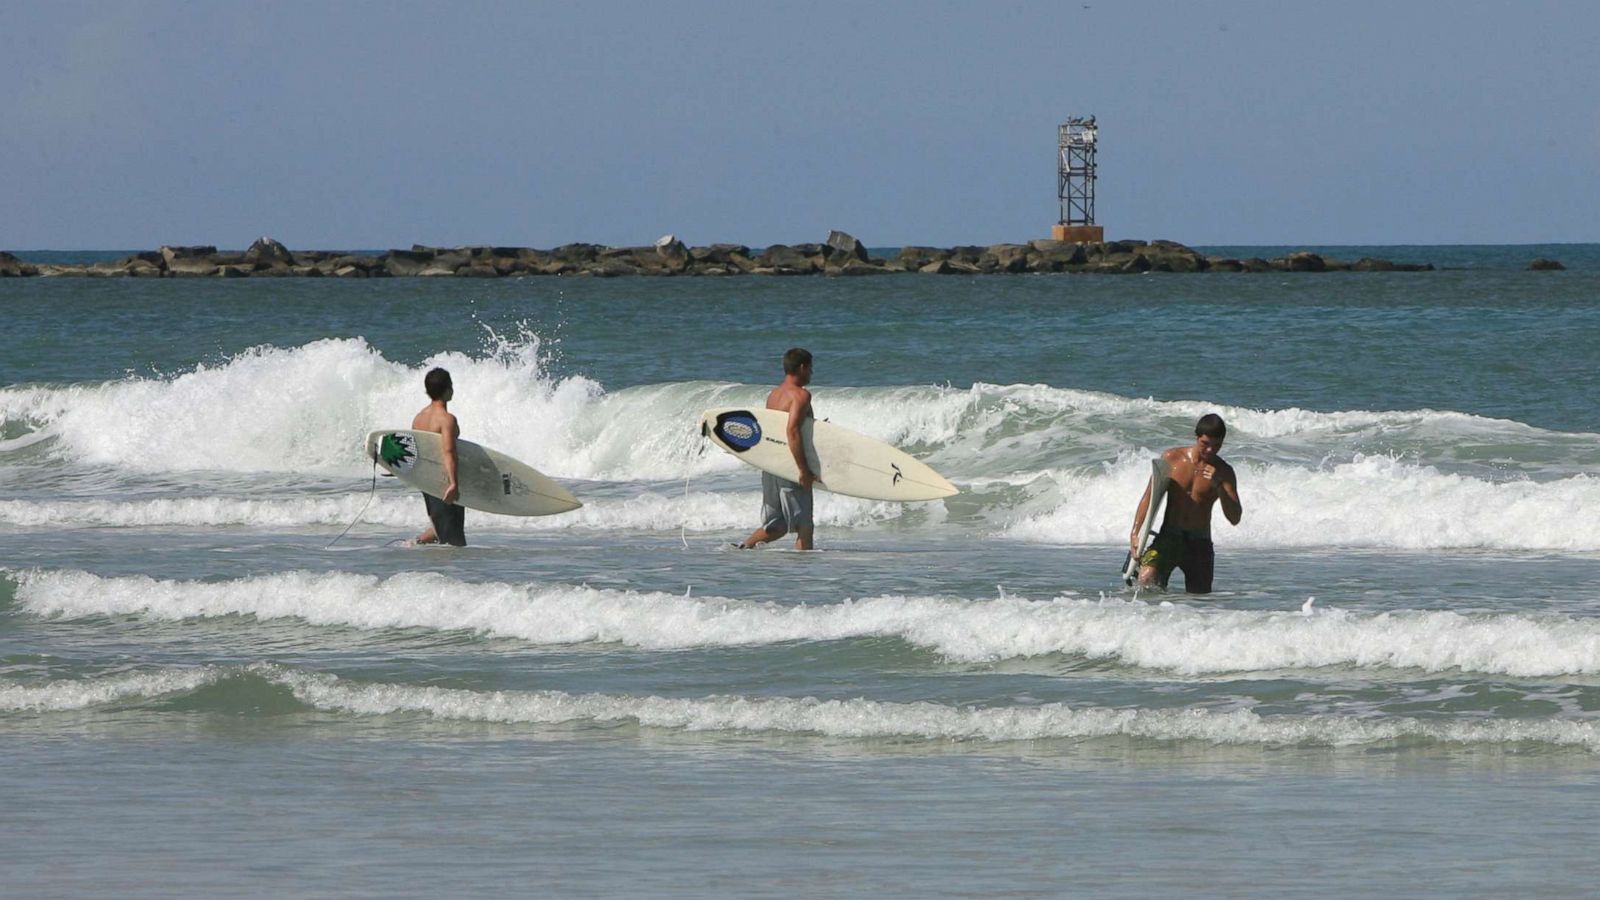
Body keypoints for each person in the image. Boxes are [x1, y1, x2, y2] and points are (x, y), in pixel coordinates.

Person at [1128, 413, 1242, 593]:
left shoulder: (1224, 472)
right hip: (1169, 536)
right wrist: (1135, 532)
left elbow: (1235, 517)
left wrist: (1219, 486)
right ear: (1196, 437)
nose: (1210, 450)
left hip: (1200, 542)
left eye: (1216, 445)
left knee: (1200, 600)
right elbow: (1150, 497)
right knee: (1145, 581)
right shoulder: (1172, 459)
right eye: (1205, 444)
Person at [736, 347, 817, 550]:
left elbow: (773, 432)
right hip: (790, 465)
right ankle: (802, 577)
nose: (811, 373)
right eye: (810, 369)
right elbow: (792, 431)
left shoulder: (773, 395)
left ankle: (742, 550)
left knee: (777, 526)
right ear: (802, 367)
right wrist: (803, 470)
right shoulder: (801, 395)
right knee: (804, 527)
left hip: (771, 465)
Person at [413, 367, 465, 547]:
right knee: (454, 541)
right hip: (444, 480)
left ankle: (417, 543)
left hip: (426, 480)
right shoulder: (446, 419)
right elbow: (448, 452)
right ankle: (447, 573)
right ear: (449, 389)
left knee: (441, 525)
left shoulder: (418, 418)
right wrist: (453, 483)